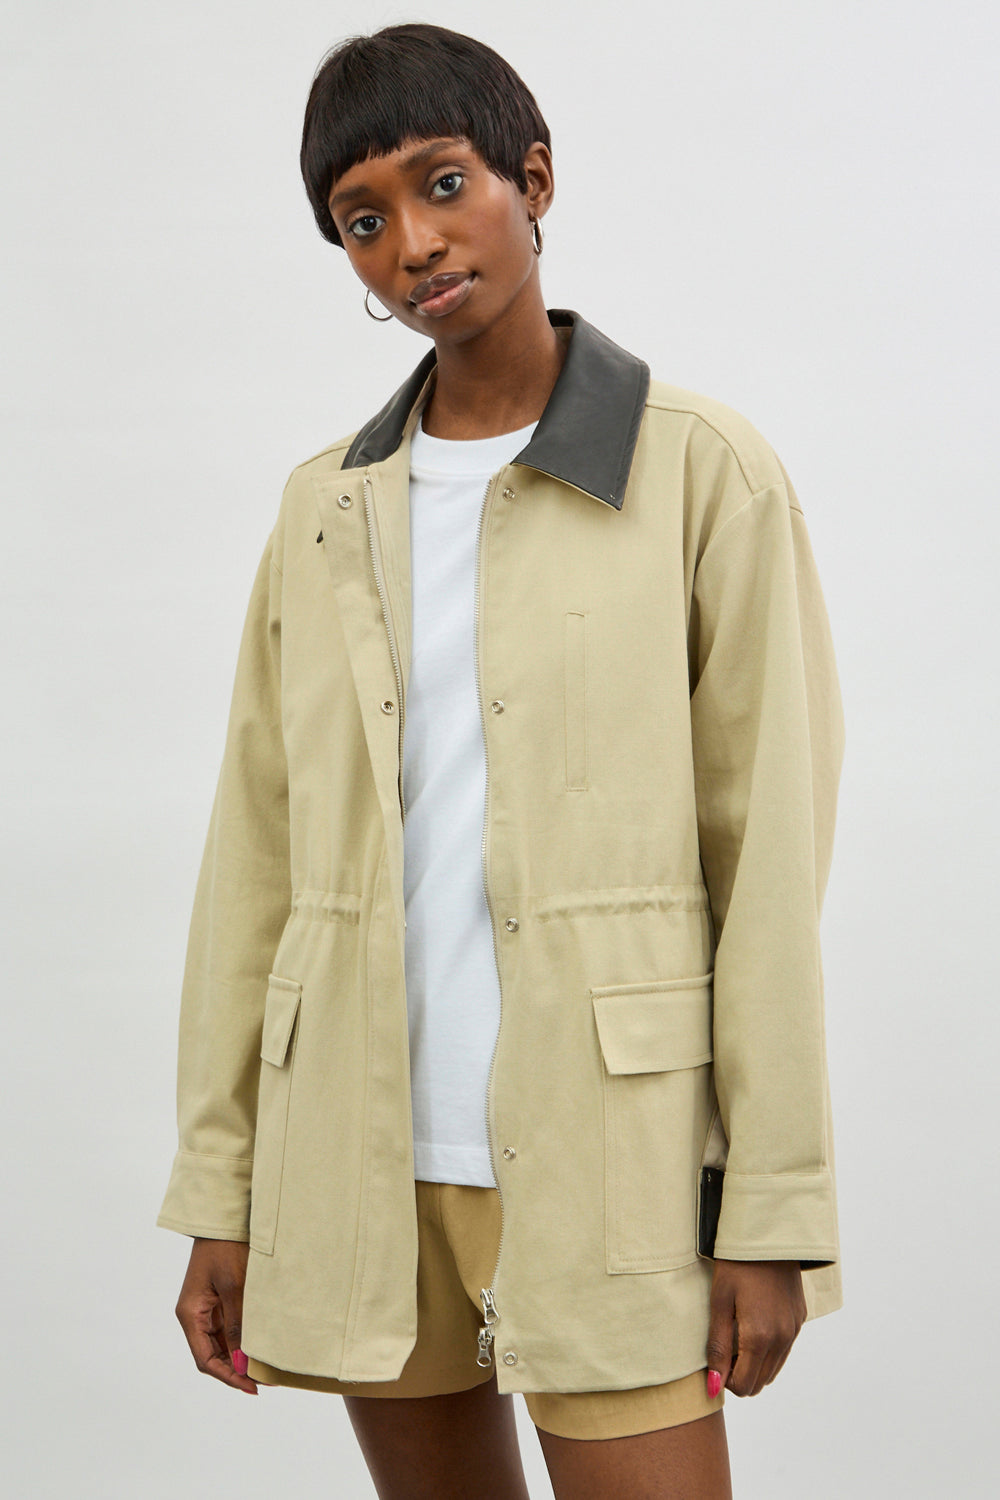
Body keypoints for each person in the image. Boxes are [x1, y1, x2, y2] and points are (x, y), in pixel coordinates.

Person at [157, 22, 846, 1500]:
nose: (413, 243)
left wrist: (773, 1208)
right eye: (362, 221)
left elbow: (771, 860)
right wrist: (224, 1189)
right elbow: (253, 861)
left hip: (614, 1155)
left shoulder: (697, 470)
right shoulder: (324, 510)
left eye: (443, 183)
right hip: (360, 1157)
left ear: (533, 179)